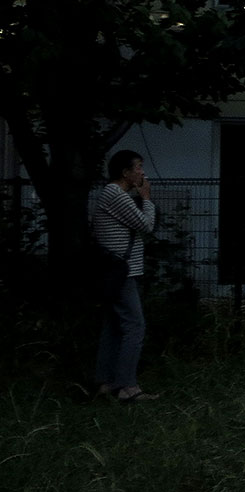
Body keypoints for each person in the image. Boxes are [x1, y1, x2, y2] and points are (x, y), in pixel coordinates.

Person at [93, 150, 158, 403]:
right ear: (125, 172)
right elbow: (146, 225)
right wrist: (147, 199)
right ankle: (127, 387)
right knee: (135, 326)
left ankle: (106, 383)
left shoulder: (113, 195)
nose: (142, 172)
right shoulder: (116, 195)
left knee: (113, 326)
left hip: (115, 271)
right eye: (139, 167)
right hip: (122, 273)